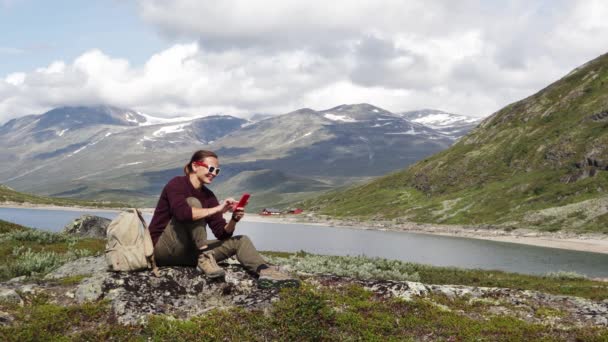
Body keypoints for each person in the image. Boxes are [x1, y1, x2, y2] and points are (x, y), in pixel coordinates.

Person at [148, 149, 299, 288]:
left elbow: (221, 233)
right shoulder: (177, 184)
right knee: (193, 204)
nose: (214, 173)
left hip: (190, 254)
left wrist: (233, 219)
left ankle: (267, 273)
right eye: (211, 168)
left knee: (241, 241)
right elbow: (183, 213)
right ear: (195, 166)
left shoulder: (209, 196)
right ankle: (205, 258)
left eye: (217, 171)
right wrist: (218, 208)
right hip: (163, 250)